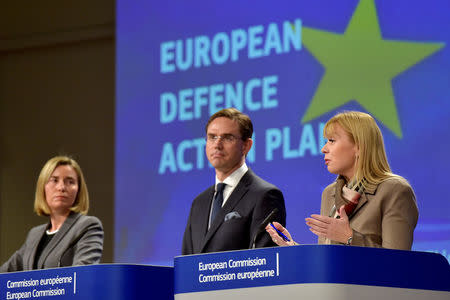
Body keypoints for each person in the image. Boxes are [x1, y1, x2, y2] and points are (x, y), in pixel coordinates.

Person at [266, 111, 418, 250]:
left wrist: (349, 237)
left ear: (359, 146)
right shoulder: (330, 193)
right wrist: (293, 248)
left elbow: (398, 263)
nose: (324, 149)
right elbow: (328, 261)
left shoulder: (394, 190)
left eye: (331, 140)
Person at [182, 108, 286, 254]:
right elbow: (187, 264)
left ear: (246, 146)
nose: (217, 145)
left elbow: (264, 263)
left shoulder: (265, 195)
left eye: (227, 138)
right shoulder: (199, 203)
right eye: (212, 137)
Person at [0, 156, 104, 272]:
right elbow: (5, 272)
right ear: (42, 187)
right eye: (54, 180)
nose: (61, 187)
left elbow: (82, 275)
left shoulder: (88, 226)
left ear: (79, 190)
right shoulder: (34, 235)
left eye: (70, 182)